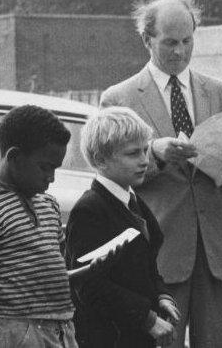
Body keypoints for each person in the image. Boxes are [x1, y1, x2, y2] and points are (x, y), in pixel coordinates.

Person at [100, 0, 222, 348]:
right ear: (146, 39)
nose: (180, 51)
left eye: (188, 41)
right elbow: (109, 176)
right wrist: (154, 154)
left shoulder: (221, 93)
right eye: (170, 42)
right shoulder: (118, 99)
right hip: (156, 254)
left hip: (216, 252)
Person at [0, 105, 122, 347]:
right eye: (45, 167)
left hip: (61, 330)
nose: (51, 178)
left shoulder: (48, 205)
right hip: (14, 333)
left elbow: (53, 277)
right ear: (14, 157)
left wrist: (89, 271)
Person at [65, 107, 181, 347]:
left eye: (146, 150)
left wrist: (161, 295)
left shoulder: (132, 200)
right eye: (132, 154)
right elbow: (88, 285)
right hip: (109, 337)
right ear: (100, 160)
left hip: (133, 334)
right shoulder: (90, 209)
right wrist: (147, 319)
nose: (144, 161)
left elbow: (147, 265)